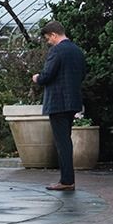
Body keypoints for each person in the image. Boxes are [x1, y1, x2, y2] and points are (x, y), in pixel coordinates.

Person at [31, 20, 87, 193]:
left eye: (48, 38)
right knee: (65, 139)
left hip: (57, 102)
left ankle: (67, 180)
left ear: (54, 35)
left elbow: (47, 75)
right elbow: (83, 73)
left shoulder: (56, 51)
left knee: (62, 142)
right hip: (72, 101)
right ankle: (67, 179)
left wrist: (37, 78)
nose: (49, 42)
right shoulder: (77, 51)